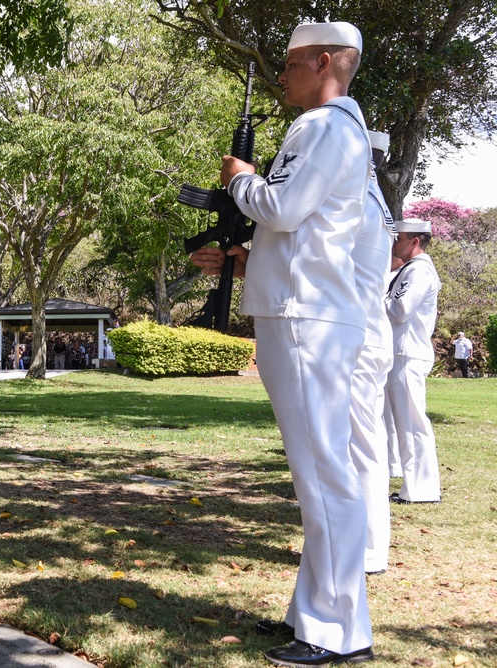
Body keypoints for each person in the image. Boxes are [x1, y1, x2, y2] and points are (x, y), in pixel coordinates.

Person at [191, 21, 373, 665]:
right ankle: (313, 614)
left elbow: (285, 207)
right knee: (318, 477)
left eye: (294, 62)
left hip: (308, 323)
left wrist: (240, 176)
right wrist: (242, 259)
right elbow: (305, 234)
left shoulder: (324, 128)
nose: (284, 73)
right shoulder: (335, 131)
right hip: (303, 313)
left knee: (325, 477)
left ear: (324, 61)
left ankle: (334, 631)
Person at [348, 130, 396, 575]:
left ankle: (365, 551)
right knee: (365, 445)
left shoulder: (359, 200)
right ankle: (366, 547)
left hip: (359, 338)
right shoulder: (377, 200)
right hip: (370, 335)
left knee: (359, 447)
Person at [384, 217, 442, 504]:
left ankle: (422, 489)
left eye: (399, 238)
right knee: (398, 423)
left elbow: (400, 309)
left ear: (414, 241)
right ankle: (405, 478)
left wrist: (372, 298)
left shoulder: (419, 272)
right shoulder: (409, 270)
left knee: (412, 423)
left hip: (407, 354)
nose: (395, 243)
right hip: (398, 353)